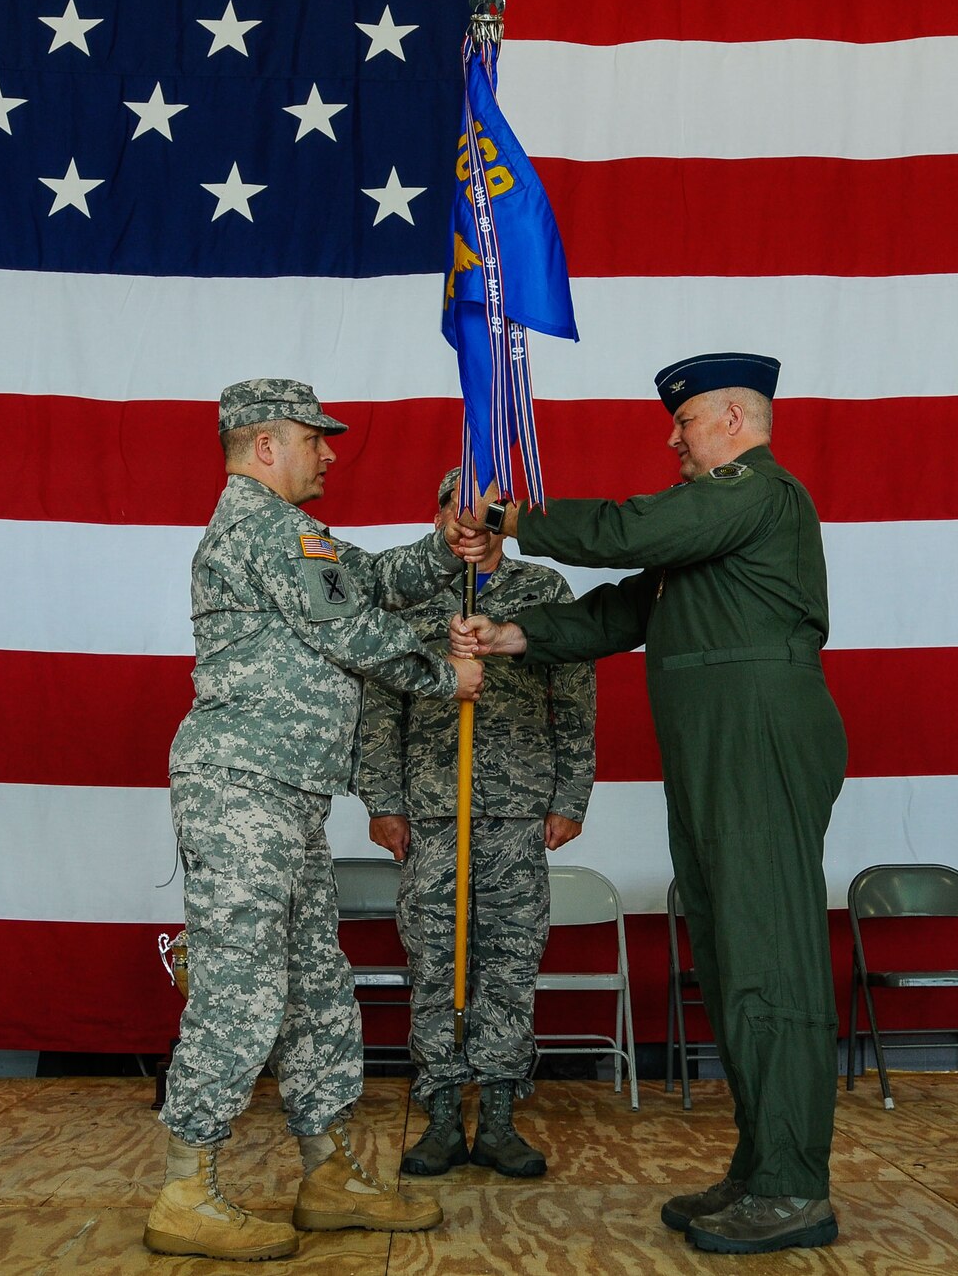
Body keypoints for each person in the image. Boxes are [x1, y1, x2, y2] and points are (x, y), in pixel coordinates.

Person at [450, 352, 847, 1254]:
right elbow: (626, 609)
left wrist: (514, 517)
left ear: (736, 424)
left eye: (686, 421)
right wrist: (515, 634)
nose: (672, 437)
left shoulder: (756, 491)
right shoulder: (710, 529)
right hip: (719, 749)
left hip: (757, 743)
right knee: (732, 949)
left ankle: (794, 1185)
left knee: (769, 958)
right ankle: (763, 1162)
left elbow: (629, 532)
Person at [145, 378, 489, 1263]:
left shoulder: (290, 536)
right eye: (314, 438)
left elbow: (364, 578)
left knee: (312, 983)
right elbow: (351, 628)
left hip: (282, 791)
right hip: (242, 787)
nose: (331, 452)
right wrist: (440, 674)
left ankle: (327, 1170)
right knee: (242, 987)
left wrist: (445, 546)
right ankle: (185, 1187)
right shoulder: (265, 526)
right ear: (266, 446)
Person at [356, 467, 596, 1181]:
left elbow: (574, 694)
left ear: (505, 520)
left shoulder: (543, 593)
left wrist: (569, 795)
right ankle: (437, 1115)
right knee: (434, 959)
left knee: (508, 962)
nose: (468, 523)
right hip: (430, 809)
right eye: (453, 509)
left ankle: (496, 1115)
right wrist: (383, 800)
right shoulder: (409, 589)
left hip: (517, 808)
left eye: (485, 512)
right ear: (434, 515)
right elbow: (379, 702)